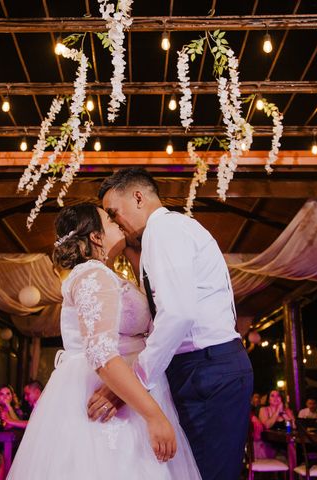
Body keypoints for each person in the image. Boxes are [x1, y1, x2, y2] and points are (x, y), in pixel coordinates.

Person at [6, 203, 201, 479]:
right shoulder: (93, 274)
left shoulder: (99, 273)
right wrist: (154, 415)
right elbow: (101, 355)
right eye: (109, 219)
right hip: (107, 391)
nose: (117, 221)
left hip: (124, 385)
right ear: (95, 236)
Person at [95, 167, 252, 480]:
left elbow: (178, 314)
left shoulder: (163, 230)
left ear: (138, 197)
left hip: (206, 368)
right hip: (203, 366)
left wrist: (133, 382)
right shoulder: (168, 231)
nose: (115, 223)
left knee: (207, 473)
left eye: (114, 213)